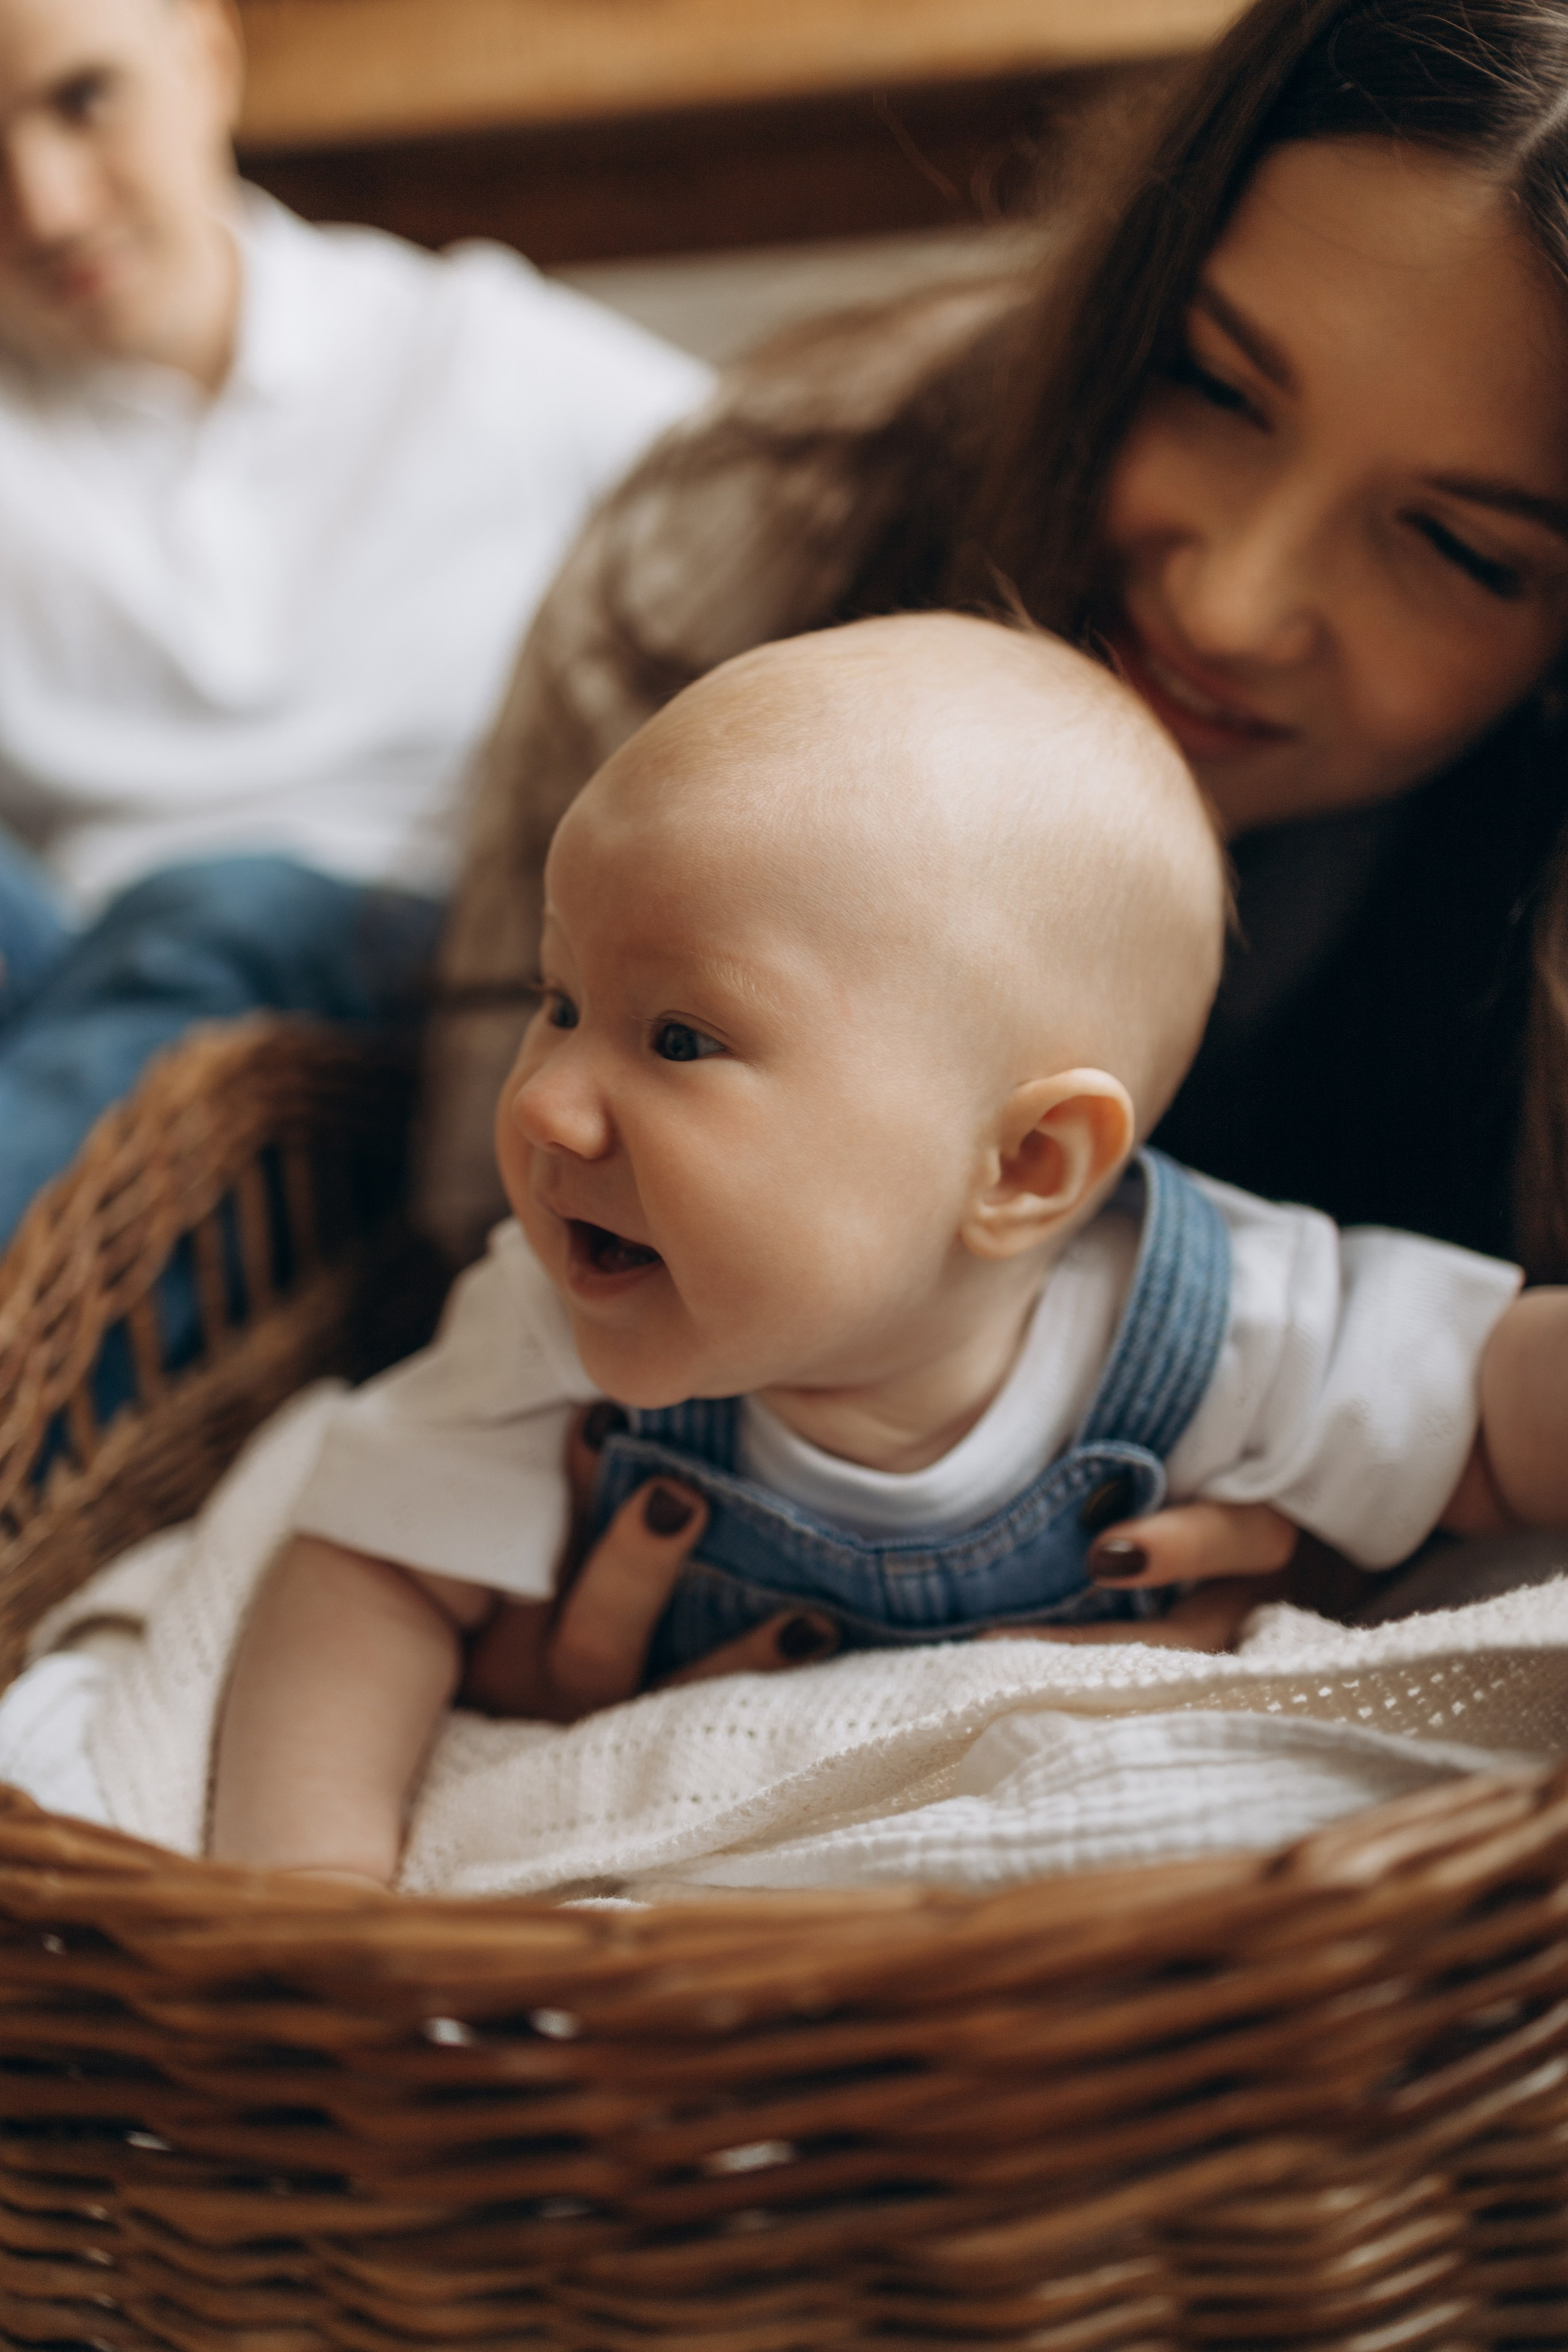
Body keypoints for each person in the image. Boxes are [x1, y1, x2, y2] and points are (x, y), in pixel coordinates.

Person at [414, 0, 1568, 1628]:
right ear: (1125, 302)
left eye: (1461, 547)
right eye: (1214, 386)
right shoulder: (768, 520)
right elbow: (501, 1259)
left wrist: (1389, 1534)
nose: (1235, 603)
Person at [208, 614, 1568, 1889]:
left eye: (679, 1040)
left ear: (1025, 1168)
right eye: (559, 1003)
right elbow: (366, 1573)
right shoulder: (544, 1322)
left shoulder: (1224, 1325)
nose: (549, 1103)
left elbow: (1494, 1408)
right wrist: (309, 1896)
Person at [0, 0, 710, 1254]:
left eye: (82, 99)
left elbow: (808, 492)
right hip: (71, 968)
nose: (45, 206)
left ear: (204, 59)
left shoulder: (474, 350)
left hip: (379, 946)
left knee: (226, 907)